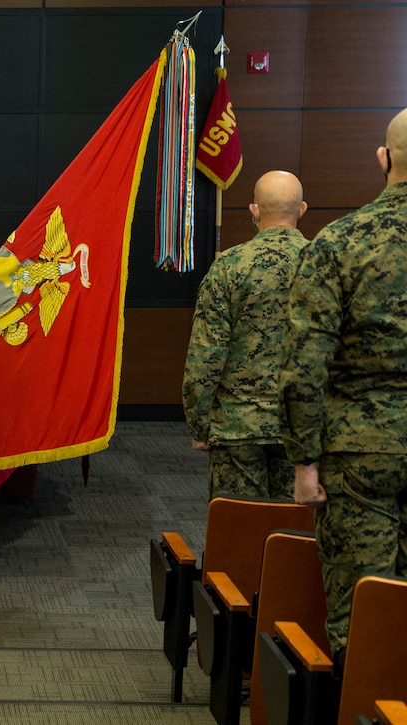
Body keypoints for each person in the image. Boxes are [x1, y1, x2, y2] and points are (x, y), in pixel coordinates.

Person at [279, 108, 407, 662]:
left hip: (361, 455)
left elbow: (305, 364)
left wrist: (303, 463)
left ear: (383, 159)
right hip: (362, 452)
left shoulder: (340, 243)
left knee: (363, 619)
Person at [182, 170, 309, 501]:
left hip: (237, 428)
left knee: (238, 535)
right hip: (303, 427)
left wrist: (200, 424)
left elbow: (206, 355)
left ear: (253, 210)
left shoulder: (229, 266)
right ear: (302, 210)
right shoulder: (327, 265)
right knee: (293, 537)